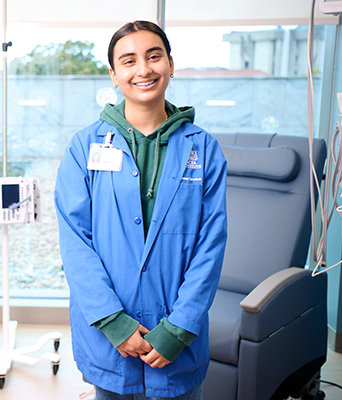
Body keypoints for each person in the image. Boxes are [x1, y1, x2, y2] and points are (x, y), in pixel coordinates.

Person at [54, 20, 227, 399]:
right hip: (108, 336)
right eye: (129, 61)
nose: (144, 69)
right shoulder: (84, 147)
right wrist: (114, 322)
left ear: (170, 64)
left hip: (177, 339)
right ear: (115, 76)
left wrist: (178, 329)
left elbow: (210, 246)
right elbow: (75, 242)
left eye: (154, 56)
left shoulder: (204, 148)